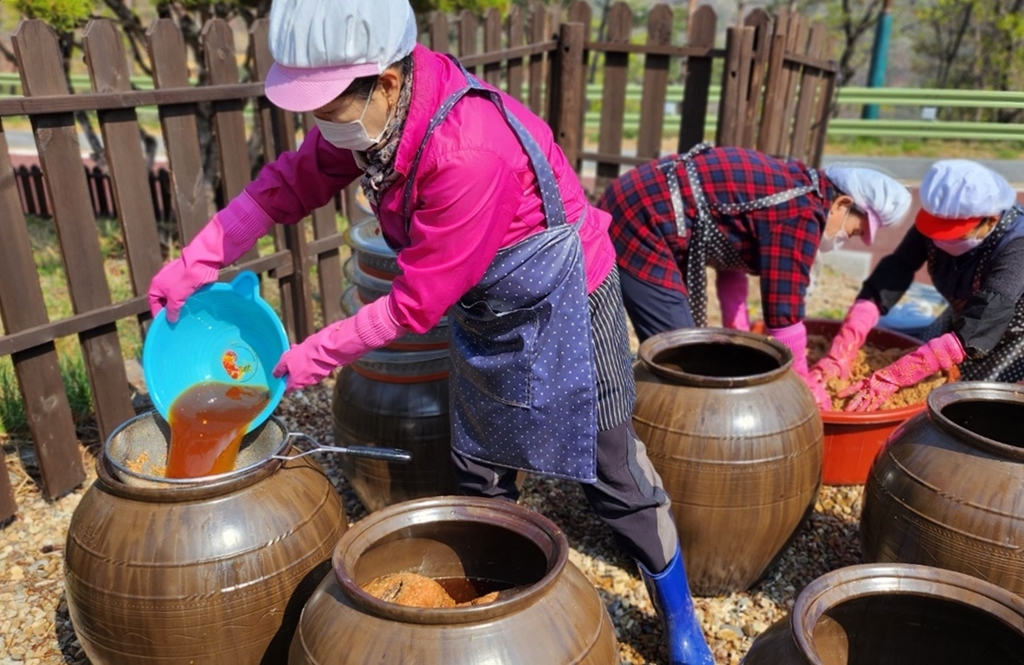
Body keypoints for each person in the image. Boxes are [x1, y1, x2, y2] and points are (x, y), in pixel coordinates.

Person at [146, 0, 713, 661]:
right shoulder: (374, 126)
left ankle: (678, 612)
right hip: (486, 298)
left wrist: (314, 355)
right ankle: (495, 605)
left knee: (611, 466)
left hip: (567, 294)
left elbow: (413, 306)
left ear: (385, 82)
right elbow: (286, 187)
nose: (318, 124)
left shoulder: (465, 151)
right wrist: (197, 261)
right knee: (477, 462)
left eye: (327, 105)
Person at [596, 144, 912, 408]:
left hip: (638, 203)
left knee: (686, 348)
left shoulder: (798, 189)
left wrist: (739, 337)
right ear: (842, 203)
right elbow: (784, 315)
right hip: (640, 220)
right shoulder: (801, 214)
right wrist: (802, 387)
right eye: (853, 231)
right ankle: (650, 424)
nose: (846, 238)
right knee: (679, 357)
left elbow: (730, 262)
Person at [815, 159, 1024, 411]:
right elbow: (898, 267)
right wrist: (848, 339)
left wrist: (894, 376)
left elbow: (985, 318)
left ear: (989, 220)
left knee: (968, 404)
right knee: (920, 357)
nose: (938, 240)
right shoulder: (936, 220)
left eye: (953, 234)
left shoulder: (1016, 245)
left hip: (1011, 333)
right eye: (935, 230)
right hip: (962, 315)